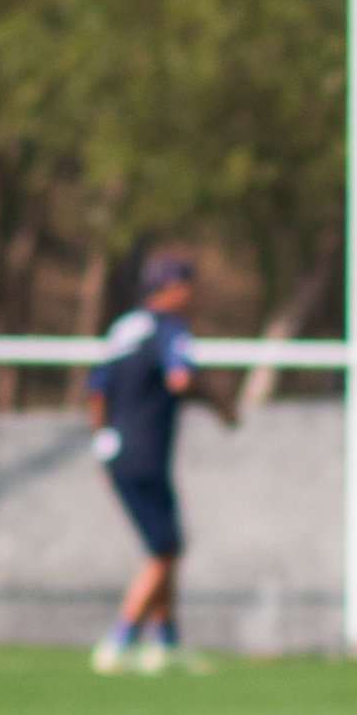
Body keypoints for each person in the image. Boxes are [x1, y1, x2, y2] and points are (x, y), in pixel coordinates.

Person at [83, 251, 236, 672]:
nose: (195, 296)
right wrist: (222, 404)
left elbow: (96, 390)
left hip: (117, 451)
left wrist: (101, 439)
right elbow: (181, 378)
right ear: (173, 288)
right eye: (190, 286)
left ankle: (165, 643)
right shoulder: (170, 328)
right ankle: (120, 639)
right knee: (164, 550)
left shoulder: (123, 328)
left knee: (168, 544)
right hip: (147, 453)